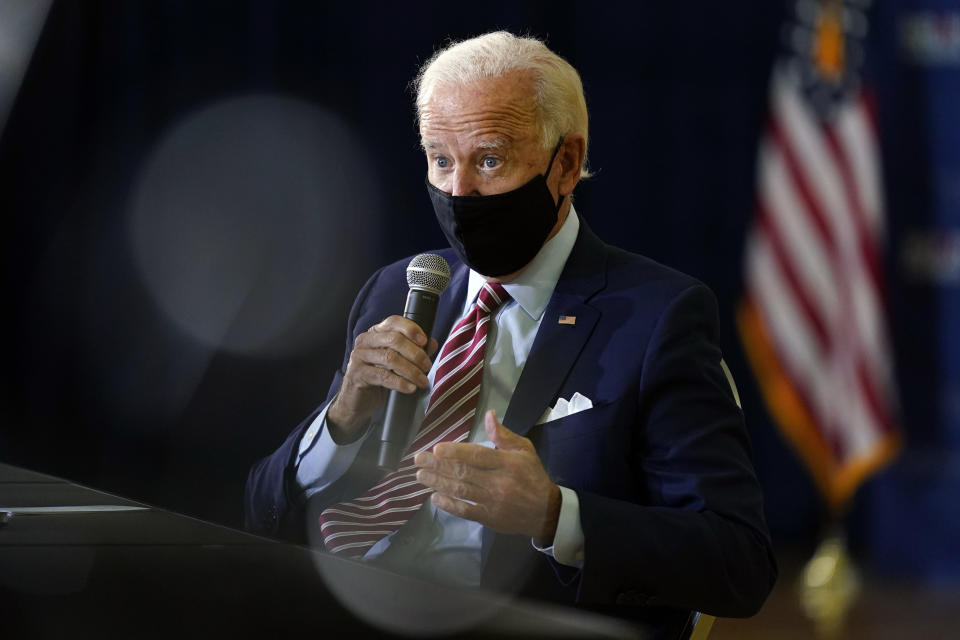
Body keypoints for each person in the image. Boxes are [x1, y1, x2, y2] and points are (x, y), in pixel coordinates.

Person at [245, 31, 776, 632]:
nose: (459, 191)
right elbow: (260, 510)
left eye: (489, 159)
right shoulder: (398, 290)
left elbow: (738, 563)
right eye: (440, 159)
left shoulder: (659, 316)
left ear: (566, 164)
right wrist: (339, 421)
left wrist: (554, 516)